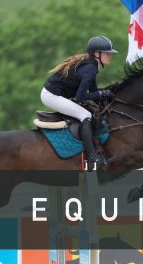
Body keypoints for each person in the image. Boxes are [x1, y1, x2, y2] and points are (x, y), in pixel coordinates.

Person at [41, 36, 117, 167]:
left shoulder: (92, 65)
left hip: (54, 94)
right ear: (97, 54)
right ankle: (92, 157)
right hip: (51, 96)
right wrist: (102, 93)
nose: (110, 55)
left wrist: (105, 93)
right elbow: (80, 96)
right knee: (85, 115)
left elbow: (93, 91)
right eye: (107, 53)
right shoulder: (90, 69)